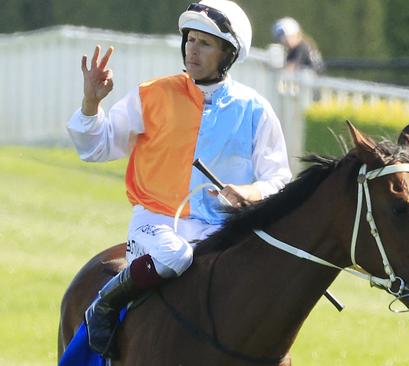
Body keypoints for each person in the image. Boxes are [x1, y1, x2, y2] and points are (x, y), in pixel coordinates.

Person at [66, 0, 292, 357]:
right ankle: (106, 304)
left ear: (227, 54)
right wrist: (91, 103)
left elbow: (279, 179)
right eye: (190, 39)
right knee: (176, 256)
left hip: (221, 232)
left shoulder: (256, 110)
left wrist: (251, 192)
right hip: (154, 226)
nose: (192, 49)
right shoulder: (152, 94)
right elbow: (96, 147)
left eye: (205, 43)